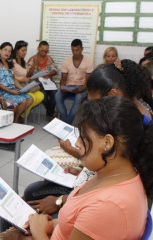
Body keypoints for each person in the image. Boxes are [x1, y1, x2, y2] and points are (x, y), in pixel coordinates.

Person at [22, 60, 153, 222]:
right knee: (33, 191)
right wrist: (84, 172)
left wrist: (59, 201)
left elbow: (108, 189)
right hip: (97, 185)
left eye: (94, 102)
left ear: (113, 95)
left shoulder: (129, 130)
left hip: (101, 203)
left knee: (30, 196)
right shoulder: (136, 110)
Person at [24, 96, 151, 239]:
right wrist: (55, 223)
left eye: (83, 138)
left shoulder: (108, 206)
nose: (77, 144)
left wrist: (38, 231)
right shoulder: (113, 173)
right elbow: (79, 224)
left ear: (107, 143)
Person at [55, 39, 94, 124]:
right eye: (73, 50)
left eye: (77, 50)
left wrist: (83, 88)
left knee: (79, 97)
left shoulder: (88, 61)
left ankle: (66, 123)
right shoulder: (66, 61)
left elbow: (88, 80)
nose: (75, 52)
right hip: (69, 87)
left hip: (82, 87)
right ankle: (67, 120)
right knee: (57, 95)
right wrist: (62, 87)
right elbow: (63, 78)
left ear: (82, 49)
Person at [0, 42, 33, 123]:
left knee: (30, 99)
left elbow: (14, 79)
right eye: (5, 50)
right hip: (3, 91)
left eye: (9, 51)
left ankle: (15, 118)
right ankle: (15, 121)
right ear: (0, 50)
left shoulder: (9, 63)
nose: (7, 52)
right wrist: (10, 91)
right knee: (23, 101)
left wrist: (22, 88)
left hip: (12, 89)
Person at [11, 40, 44, 120]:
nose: (24, 53)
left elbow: (28, 74)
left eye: (25, 50)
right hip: (17, 85)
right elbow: (20, 74)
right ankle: (19, 117)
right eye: (23, 50)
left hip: (26, 84)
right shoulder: (13, 62)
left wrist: (34, 67)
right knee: (31, 98)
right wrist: (25, 79)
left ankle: (22, 114)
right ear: (17, 50)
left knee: (41, 95)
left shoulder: (23, 61)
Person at [27, 41, 58, 121]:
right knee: (43, 95)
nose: (44, 53)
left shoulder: (49, 59)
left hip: (48, 82)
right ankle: (51, 113)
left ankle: (49, 113)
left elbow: (55, 71)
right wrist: (34, 65)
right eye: (42, 51)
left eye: (46, 51)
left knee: (54, 94)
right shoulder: (32, 59)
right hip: (37, 84)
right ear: (38, 48)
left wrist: (49, 75)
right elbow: (28, 75)